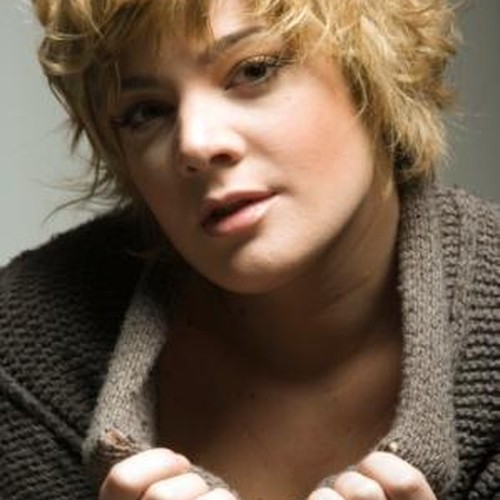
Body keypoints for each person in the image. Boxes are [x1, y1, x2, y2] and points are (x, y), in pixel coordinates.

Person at [0, 0, 498, 498]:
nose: (195, 144)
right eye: (146, 112)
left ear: (374, 65)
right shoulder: (27, 353)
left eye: (254, 70)